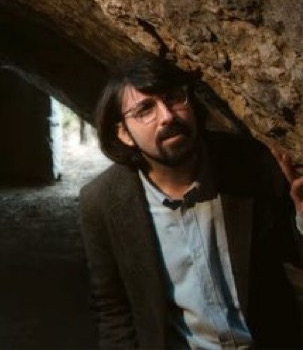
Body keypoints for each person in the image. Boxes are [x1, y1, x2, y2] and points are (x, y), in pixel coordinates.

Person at [79, 54, 303, 348]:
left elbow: (294, 253)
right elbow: (113, 309)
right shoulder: (102, 202)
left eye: (174, 98)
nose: (167, 116)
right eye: (145, 109)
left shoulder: (249, 163)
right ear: (124, 133)